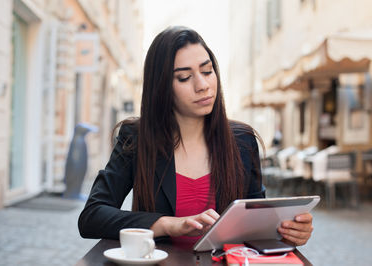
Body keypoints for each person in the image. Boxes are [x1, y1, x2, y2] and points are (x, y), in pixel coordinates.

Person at [78, 26, 313, 246]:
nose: (203, 85)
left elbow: (255, 223)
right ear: (161, 87)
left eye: (207, 71)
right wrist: (168, 224)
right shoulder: (138, 138)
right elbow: (92, 217)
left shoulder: (242, 140)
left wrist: (286, 232)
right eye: (184, 77)